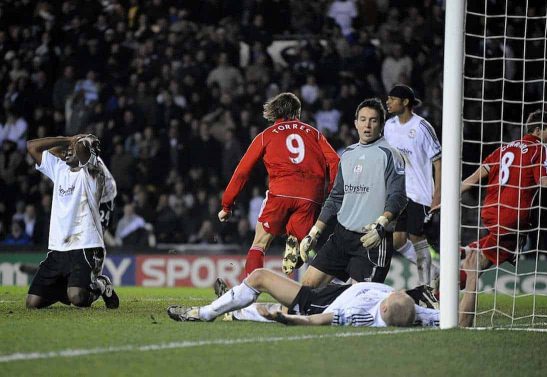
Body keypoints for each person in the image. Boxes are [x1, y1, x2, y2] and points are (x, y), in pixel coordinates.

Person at [459, 110, 547, 327]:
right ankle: (460, 324)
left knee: (473, 257)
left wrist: (446, 197)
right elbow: (545, 180)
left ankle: (442, 283)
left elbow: (475, 177)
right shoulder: (540, 149)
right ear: (537, 130)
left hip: (491, 214)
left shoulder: (504, 148)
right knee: (473, 266)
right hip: (513, 219)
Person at [218, 92, 339, 276]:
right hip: (310, 197)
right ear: (297, 112)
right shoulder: (314, 133)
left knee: (259, 243)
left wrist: (227, 205)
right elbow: (335, 162)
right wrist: (331, 193)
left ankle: (250, 291)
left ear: (275, 111)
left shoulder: (265, 135)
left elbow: (242, 171)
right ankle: (296, 243)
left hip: (281, 192)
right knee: (299, 239)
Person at [299, 98, 407, 287]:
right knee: (307, 286)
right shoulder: (348, 154)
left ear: (381, 125)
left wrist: (381, 225)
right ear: (355, 123)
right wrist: (314, 232)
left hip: (371, 239)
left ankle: (415, 298)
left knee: (358, 303)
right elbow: (335, 197)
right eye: (363, 119)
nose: (367, 125)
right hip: (341, 236)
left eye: (373, 120)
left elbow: (398, 197)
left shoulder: (390, 154)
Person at [25, 134, 119, 309]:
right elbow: (32, 147)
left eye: (72, 148)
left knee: (78, 298)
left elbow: (84, 146)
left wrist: (81, 141)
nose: (69, 150)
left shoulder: (92, 171)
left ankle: (100, 285)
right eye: (67, 149)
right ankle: (70, 285)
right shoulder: (58, 169)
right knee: (32, 303)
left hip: (85, 245)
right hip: (58, 249)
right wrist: (66, 140)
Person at [167, 269, 439, 327]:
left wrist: (286, 319)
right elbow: (451, 318)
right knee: (265, 304)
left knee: (260, 277)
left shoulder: (363, 315)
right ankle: (233, 307)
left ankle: (204, 313)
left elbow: (315, 320)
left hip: (320, 300)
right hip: (335, 290)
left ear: (386, 303)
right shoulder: (417, 313)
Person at [384, 84, 441, 286]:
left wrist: (438, 195)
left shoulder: (422, 128)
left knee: (417, 237)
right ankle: (436, 272)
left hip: (420, 192)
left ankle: (425, 285)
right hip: (400, 192)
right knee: (398, 240)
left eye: (392, 99)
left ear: (405, 102)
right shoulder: (389, 126)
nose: (388, 102)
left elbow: (438, 162)